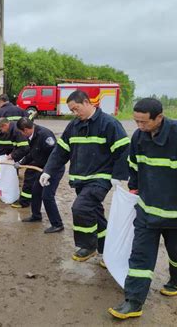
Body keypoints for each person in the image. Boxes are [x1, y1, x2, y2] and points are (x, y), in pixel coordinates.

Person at [108, 98, 177, 320]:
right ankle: (134, 301)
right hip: (149, 211)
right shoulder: (139, 137)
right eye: (136, 121)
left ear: (159, 117)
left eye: (144, 122)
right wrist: (133, 189)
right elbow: (134, 166)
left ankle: (176, 279)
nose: (139, 127)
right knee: (140, 255)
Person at [43, 90, 130, 261]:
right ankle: (108, 252)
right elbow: (60, 152)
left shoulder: (109, 124)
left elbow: (123, 150)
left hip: (101, 178)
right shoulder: (74, 126)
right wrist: (48, 170)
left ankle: (88, 246)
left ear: (86, 102)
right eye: (72, 111)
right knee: (96, 215)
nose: (75, 113)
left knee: (80, 208)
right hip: (80, 180)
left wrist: (118, 175)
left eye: (76, 109)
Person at [16, 117, 64, 233]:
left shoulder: (45, 135)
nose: (22, 134)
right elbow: (32, 153)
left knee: (47, 196)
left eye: (22, 132)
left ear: (26, 129)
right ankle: (36, 216)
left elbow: (55, 155)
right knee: (36, 191)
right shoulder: (31, 136)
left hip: (53, 169)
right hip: (42, 169)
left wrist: (48, 171)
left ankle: (57, 224)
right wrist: (21, 163)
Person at [0, 94, 30, 181]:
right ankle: (14, 176)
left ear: (1, 101)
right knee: (14, 158)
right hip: (17, 142)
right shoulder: (21, 110)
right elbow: (29, 121)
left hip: (2, 143)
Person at [0, 117, 33, 208]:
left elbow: (25, 148)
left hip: (33, 155)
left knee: (30, 177)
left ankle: (25, 202)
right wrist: (12, 154)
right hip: (31, 153)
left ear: (5, 125)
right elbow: (18, 146)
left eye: (1, 128)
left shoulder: (16, 131)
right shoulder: (12, 130)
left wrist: (13, 156)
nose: (2, 131)